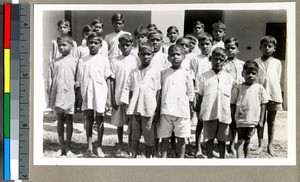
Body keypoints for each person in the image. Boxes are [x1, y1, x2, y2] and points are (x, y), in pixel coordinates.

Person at [76, 32, 112, 158]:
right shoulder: (82, 60)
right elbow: (79, 80)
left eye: (96, 43)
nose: (93, 45)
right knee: (89, 120)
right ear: (87, 44)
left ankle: (99, 147)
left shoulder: (104, 60)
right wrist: (80, 98)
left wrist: (108, 98)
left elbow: (108, 78)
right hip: (87, 93)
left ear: (100, 45)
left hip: (100, 92)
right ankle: (89, 147)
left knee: (100, 119)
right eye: (90, 42)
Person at [122, 43, 161, 158]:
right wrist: (129, 109)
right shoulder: (134, 72)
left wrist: (156, 110)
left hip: (149, 109)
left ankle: (148, 158)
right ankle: (134, 157)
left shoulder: (156, 71)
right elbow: (130, 91)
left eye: (148, 54)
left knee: (149, 135)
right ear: (138, 55)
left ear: (152, 55)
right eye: (143, 54)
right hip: (135, 109)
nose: (146, 57)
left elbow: (158, 91)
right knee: (135, 135)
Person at [195, 47, 234, 158]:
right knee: (209, 139)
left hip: (224, 114)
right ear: (211, 59)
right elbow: (200, 95)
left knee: (222, 139)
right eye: (215, 59)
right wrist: (200, 112)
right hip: (209, 113)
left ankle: (222, 158)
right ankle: (209, 159)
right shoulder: (204, 76)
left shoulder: (229, 78)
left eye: (221, 60)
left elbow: (231, 96)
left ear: (225, 61)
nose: (218, 62)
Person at [157, 45, 194, 158]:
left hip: (182, 111)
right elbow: (160, 91)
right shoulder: (163, 73)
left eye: (178, 54)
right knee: (165, 137)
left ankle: (181, 160)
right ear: (168, 58)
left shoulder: (187, 74)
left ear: (183, 57)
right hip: (166, 110)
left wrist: (190, 108)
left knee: (181, 138)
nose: (175, 57)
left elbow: (190, 93)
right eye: (172, 55)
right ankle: (163, 159)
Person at [47, 35, 78, 157]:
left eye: (64, 45)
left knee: (69, 120)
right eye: (60, 45)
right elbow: (50, 80)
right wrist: (50, 95)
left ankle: (68, 148)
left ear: (71, 45)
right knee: (60, 120)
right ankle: (61, 147)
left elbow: (78, 79)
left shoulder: (76, 61)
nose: (62, 47)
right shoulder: (54, 62)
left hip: (69, 94)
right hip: (58, 94)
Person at [231, 60, 268, 158]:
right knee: (240, 140)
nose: (250, 75)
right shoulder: (238, 88)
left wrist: (261, 120)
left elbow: (263, 104)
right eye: (248, 73)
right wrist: (233, 119)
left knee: (248, 140)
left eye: (253, 73)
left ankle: (247, 159)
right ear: (242, 73)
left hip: (253, 120)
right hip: (240, 119)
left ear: (257, 75)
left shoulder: (259, 88)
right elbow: (233, 104)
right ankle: (239, 159)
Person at [110, 34, 139, 156]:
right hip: (118, 94)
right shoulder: (115, 61)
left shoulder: (136, 59)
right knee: (119, 122)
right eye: (122, 45)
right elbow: (112, 80)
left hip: (131, 95)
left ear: (132, 45)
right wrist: (112, 98)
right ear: (119, 46)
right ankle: (120, 145)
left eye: (128, 45)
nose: (125, 47)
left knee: (131, 122)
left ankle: (130, 146)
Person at [254, 35, 282, 156]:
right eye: (264, 46)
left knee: (271, 121)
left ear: (274, 48)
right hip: (260, 95)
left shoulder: (277, 62)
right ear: (260, 47)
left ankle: (270, 145)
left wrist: (273, 92)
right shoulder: (256, 62)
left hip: (273, 94)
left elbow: (277, 78)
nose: (267, 48)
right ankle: (260, 145)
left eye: (269, 46)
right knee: (260, 121)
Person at [190, 33, 213, 158]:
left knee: (211, 121)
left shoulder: (216, 57)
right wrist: (194, 95)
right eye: (202, 44)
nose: (205, 46)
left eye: (207, 44)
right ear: (198, 45)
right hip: (200, 93)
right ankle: (198, 148)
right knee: (200, 121)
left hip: (212, 93)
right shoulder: (196, 59)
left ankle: (208, 146)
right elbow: (192, 78)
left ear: (212, 44)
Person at [223, 37, 245, 155]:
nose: (230, 50)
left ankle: (232, 144)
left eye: (233, 48)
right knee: (226, 120)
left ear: (238, 49)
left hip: (238, 97)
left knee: (235, 122)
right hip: (226, 97)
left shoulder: (242, 64)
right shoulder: (222, 64)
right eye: (227, 49)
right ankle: (223, 143)